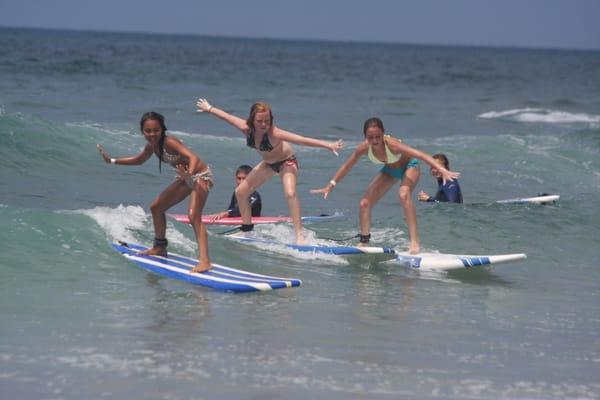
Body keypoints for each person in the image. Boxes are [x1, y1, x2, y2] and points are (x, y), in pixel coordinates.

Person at [196, 98, 343, 244]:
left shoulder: (275, 133)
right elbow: (226, 117)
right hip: (268, 164)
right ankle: (247, 230)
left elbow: (301, 139)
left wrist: (328, 145)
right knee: (241, 192)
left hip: (287, 162)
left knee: (290, 193)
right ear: (252, 120)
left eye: (267, 120)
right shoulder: (246, 129)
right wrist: (209, 108)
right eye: (259, 121)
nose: (264, 124)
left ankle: (299, 236)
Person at [311, 117, 460, 254]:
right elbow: (346, 166)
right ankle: (364, 241)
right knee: (364, 203)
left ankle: (415, 243)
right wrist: (331, 184)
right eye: (370, 137)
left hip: (410, 166)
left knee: (403, 194)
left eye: (378, 136)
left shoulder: (393, 145)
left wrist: (442, 170)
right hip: (390, 170)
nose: (375, 141)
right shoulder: (363, 148)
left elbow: (420, 155)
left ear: (383, 134)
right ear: (365, 136)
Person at [97, 111, 213, 272]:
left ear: (162, 129)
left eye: (156, 130)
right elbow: (139, 159)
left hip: (200, 176)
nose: (152, 134)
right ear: (142, 131)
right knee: (156, 207)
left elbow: (193, 157)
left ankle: (205, 261)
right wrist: (112, 160)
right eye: (148, 131)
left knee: (194, 216)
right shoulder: (152, 146)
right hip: (185, 178)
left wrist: (189, 174)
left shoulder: (169, 141)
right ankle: (160, 247)